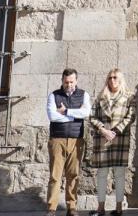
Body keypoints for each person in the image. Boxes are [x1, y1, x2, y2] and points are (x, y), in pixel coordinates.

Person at [88, 68, 136, 216]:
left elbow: (130, 117)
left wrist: (115, 131)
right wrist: (102, 130)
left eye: (115, 77)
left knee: (119, 174)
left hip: (119, 139)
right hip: (102, 140)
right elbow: (92, 116)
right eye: (109, 78)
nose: (112, 80)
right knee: (102, 174)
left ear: (121, 79)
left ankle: (119, 207)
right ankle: (100, 207)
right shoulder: (101, 97)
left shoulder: (129, 97)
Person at [46, 68, 91, 216]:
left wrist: (66, 112)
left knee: (73, 174)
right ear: (62, 81)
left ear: (76, 81)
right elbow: (52, 116)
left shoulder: (84, 95)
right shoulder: (54, 95)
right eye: (66, 82)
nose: (69, 84)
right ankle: (51, 208)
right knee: (55, 175)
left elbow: (85, 113)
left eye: (71, 81)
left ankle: (71, 207)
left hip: (76, 139)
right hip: (57, 139)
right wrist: (74, 114)